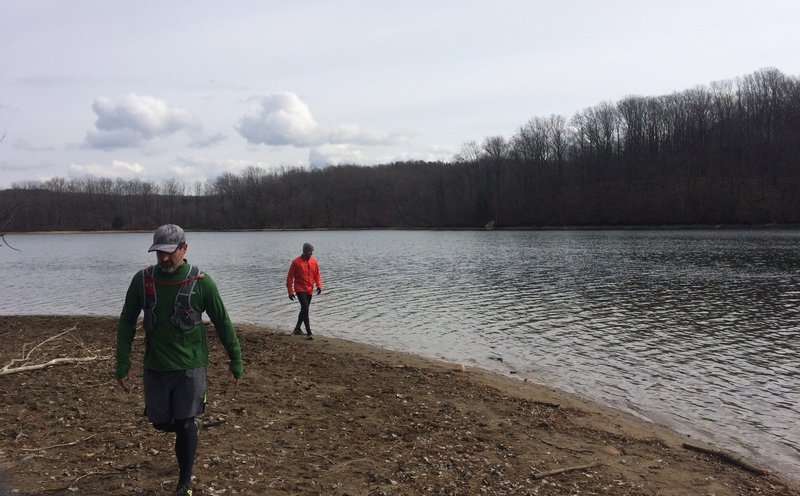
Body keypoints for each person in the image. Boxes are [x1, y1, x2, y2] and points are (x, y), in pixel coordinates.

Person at [115, 224, 243, 496]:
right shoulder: (142, 281)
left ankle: (184, 483)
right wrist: (122, 362)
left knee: (184, 422)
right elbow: (127, 321)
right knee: (160, 422)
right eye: (158, 252)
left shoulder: (202, 282)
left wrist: (236, 359)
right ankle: (190, 431)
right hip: (156, 367)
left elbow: (223, 321)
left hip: (190, 367)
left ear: (184, 248)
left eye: (169, 252)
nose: (163, 258)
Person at [286, 242, 323, 340]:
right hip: (300, 289)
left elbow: (317, 275)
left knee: (304, 309)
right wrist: (290, 291)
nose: (311, 253)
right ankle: (309, 332)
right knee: (306, 309)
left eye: (312, 252)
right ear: (304, 251)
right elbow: (290, 278)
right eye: (309, 251)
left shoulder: (314, 262)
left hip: (309, 289)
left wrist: (319, 285)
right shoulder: (296, 262)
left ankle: (297, 328)